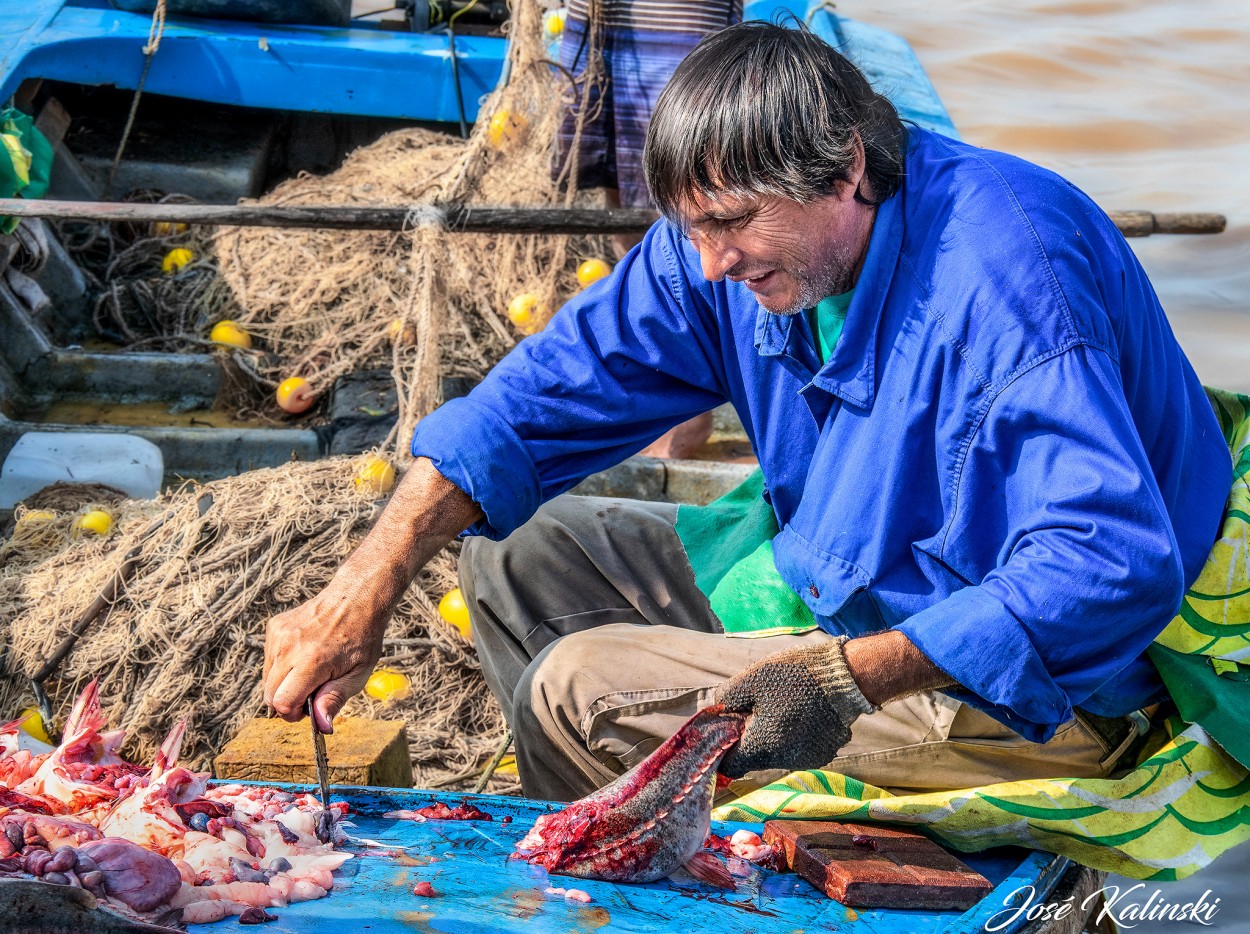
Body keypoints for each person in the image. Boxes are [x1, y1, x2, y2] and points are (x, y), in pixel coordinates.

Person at [264, 22, 1230, 803]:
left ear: (849, 167)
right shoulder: (718, 248)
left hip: (1021, 688)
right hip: (845, 583)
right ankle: (657, 831)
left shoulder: (1004, 274)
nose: (715, 262)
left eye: (734, 224)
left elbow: (1110, 564)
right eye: (695, 228)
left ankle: (634, 878)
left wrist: (850, 679)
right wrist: (366, 585)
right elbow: (536, 400)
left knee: (575, 689)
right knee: (513, 555)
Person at [554, 0, 742, 458]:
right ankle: (660, 396)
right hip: (607, 23)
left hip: (675, 21)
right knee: (623, 190)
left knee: (689, 187)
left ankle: (686, 416)